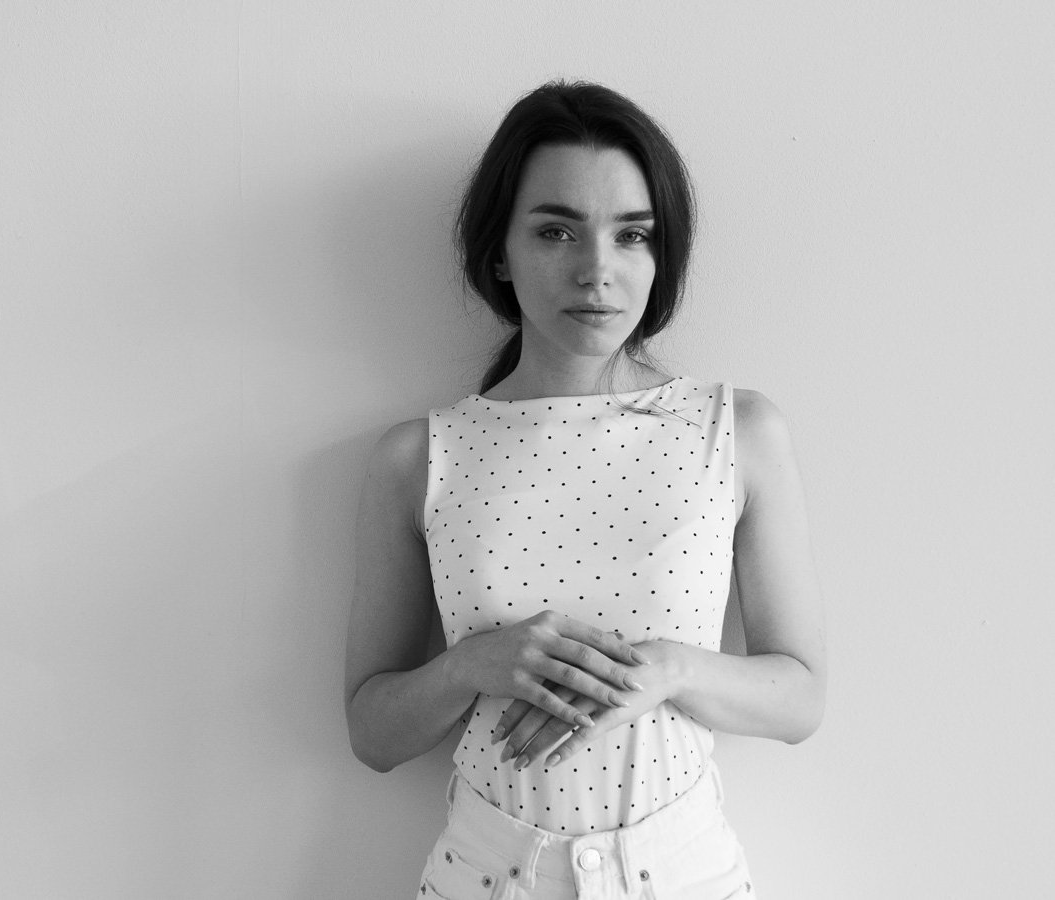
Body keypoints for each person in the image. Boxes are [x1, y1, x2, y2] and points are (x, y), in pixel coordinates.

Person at [343, 81, 825, 900]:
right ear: (500, 252)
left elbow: (801, 699)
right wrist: (471, 666)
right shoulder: (421, 456)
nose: (597, 270)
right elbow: (372, 733)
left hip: (685, 874)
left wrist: (669, 670)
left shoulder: (735, 431)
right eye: (556, 231)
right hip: (486, 875)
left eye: (632, 235)